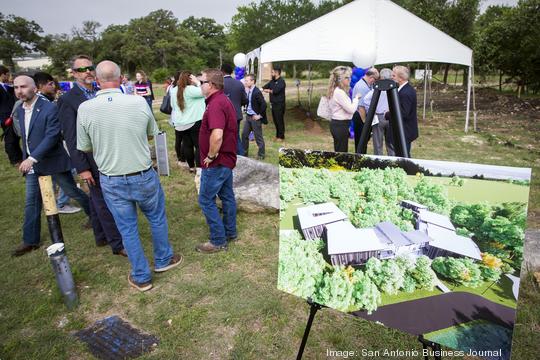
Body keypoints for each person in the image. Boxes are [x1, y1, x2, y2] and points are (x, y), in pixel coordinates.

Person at [77, 60, 182, 292]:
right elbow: (151, 134)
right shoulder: (138, 102)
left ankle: (141, 276)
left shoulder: (85, 108)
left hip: (112, 178)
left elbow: (84, 146)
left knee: (127, 228)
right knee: (156, 217)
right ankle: (163, 259)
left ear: (97, 81)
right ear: (121, 77)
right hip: (142, 173)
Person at [10, 75, 91, 257]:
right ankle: (30, 240)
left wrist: (33, 158)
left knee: (71, 191)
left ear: (34, 88)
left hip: (52, 161)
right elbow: (26, 136)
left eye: (23, 87)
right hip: (33, 164)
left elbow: (52, 135)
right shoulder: (21, 109)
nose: (19, 91)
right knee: (32, 201)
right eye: (16, 87)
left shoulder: (49, 107)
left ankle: (95, 215)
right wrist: (25, 157)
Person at [57, 55, 126, 256]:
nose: (87, 72)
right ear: (73, 74)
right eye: (81, 69)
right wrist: (83, 168)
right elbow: (71, 137)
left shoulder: (99, 92)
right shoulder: (67, 100)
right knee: (104, 201)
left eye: (90, 68)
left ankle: (101, 236)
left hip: (108, 153)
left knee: (97, 201)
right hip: (90, 158)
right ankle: (117, 243)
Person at [195, 68, 238, 254]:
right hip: (225, 161)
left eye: (201, 82)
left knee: (206, 199)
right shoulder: (221, 100)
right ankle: (230, 232)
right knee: (227, 196)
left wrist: (211, 156)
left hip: (217, 162)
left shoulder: (216, 104)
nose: (200, 85)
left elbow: (217, 135)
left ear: (211, 85)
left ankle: (218, 240)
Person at [34, 71, 82, 214]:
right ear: (40, 86)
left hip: (51, 149)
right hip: (51, 150)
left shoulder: (47, 101)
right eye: (50, 84)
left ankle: (60, 203)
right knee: (69, 177)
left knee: (62, 177)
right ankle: (62, 203)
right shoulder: (41, 103)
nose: (54, 86)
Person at [170, 71, 205, 173]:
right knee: (198, 145)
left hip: (180, 123)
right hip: (194, 121)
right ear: (190, 79)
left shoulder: (173, 90)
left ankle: (191, 167)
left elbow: (172, 106)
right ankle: (199, 167)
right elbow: (205, 92)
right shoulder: (191, 90)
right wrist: (198, 82)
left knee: (187, 145)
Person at [360, 68, 395, 156]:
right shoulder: (394, 88)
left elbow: (366, 100)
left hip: (379, 117)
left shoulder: (377, 88)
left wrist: (372, 110)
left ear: (381, 77)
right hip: (390, 116)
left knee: (378, 143)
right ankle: (392, 158)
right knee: (390, 142)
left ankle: (378, 159)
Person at [386, 65, 418, 156]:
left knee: (403, 156)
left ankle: (407, 169)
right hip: (402, 130)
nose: (391, 77)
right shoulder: (403, 89)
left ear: (400, 78)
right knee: (402, 155)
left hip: (404, 131)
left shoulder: (405, 92)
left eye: (393, 76)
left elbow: (403, 113)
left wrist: (387, 114)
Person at [327, 66, 361, 153]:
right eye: (346, 77)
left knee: (340, 151)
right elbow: (351, 109)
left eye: (349, 76)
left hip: (339, 124)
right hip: (340, 125)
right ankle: (340, 166)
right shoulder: (339, 92)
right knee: (341, 153)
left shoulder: (336, 90)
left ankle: (339, 166)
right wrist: (356, 98)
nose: (349, 79)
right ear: (339, 79)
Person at [221, 63, 248, 156]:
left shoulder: (220, 84)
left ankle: (238, 155)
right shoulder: (239, 83)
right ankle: (238, 154)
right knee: (235, 136)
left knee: (225, 136)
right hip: (237, 114)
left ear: (222, 71)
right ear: (231, 72)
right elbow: (245, 100)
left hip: (223, 115)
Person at [351, 68, 379, 150]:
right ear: (371, 77)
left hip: (361, 116)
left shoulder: (365, 84)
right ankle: (360, 159)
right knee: (361, 142)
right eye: (375, 80)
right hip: (360, 117)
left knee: (362, 143)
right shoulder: (362, 87)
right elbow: (361, 107)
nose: (374, 82)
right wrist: (365, 123)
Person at [0, 65, 23, 165]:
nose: (8, 76)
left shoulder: (5, 86)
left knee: (15, 137)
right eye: (7, 74)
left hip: (12, 114)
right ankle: (14, 159)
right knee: (10, 139)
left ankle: (19, 156)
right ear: (2, 74)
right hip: (5, 116)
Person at [241, 74, 266, 160]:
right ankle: (244, 154)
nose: (245, 82)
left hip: (255, 118)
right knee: (244, 135)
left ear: (252, 81)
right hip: (248, 116)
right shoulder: (249, 90)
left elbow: (264, 104)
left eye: (247, 80)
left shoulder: (257, 91)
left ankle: (261, 154)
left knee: (258, 136)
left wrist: (259, 115)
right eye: (245, 80)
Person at [262, 67, 286, 141]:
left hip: (279, 104)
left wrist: (268, 90)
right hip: (273, 104)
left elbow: (275, 91)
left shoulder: (282, 82)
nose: (271, 74)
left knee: (279, 120)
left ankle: (281, 136)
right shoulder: (272, 81)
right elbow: (264, 87)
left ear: (277, 73)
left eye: (272, 72)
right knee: (275, 120)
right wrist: (264, 89)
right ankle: (277, 135)